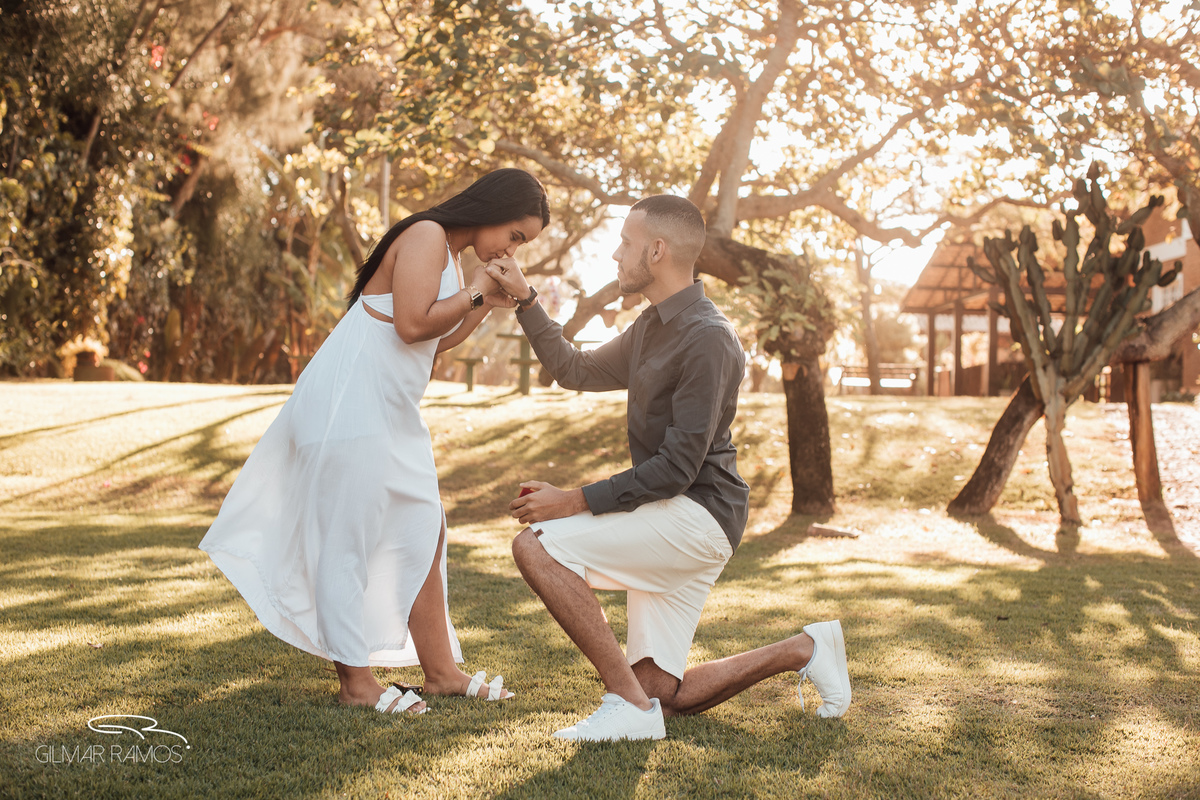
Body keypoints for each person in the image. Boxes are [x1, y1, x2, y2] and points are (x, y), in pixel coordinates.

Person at [484, 195, 851, 741]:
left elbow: (678, 467)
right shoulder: (652, 325)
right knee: (662, 693)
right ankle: (806, 648)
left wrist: (572, 499)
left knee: (536, 546)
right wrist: (527, 299)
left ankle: (624, 705)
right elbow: (572, 368)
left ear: (656, 251)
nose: (615, 254)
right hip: (670, 512)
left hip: (699, 516)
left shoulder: (709, 339)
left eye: (626, 244)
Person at [200, 168, 549, 715]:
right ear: (494, 209)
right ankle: (356, 683)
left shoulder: (451, 257)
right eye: (516, 235)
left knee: (424, 526)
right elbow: (412, 325)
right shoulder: (427, 235)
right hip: (351, 404)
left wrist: (484, 305)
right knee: (348, 535)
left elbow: (432, 342)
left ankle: (441, 673)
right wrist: (478, 290)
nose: (512, 249)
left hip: (390, 410)